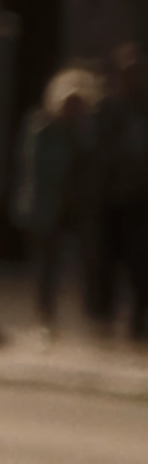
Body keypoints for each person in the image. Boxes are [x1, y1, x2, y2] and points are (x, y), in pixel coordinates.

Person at [12, 64, 99, 339]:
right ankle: (45, 316)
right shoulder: (42, 126)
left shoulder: (79, 130)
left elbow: (93, 161)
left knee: (85, 260)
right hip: (44, 208)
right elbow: (42, 166)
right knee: (45, 266)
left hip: (71, 209)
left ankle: (91, 314)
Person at [94, 45, 146, 342]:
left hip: (140, 199)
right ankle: (105, 317)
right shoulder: (108, 109)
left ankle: (138, 319)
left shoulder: (143, 109)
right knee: (108, 261)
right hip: (112, 199)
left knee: (139, 262)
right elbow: (98, 151)